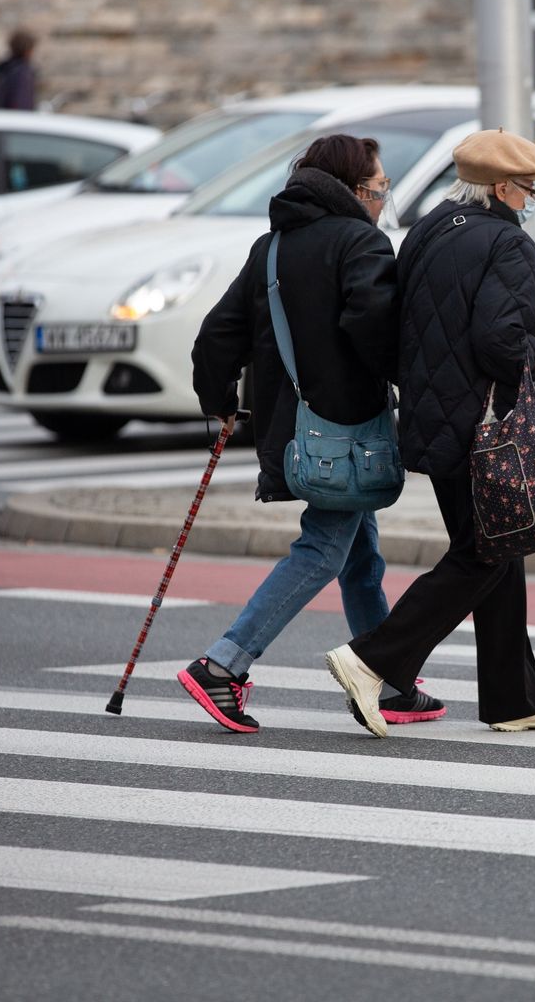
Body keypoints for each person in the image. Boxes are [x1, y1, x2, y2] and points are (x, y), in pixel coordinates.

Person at [325, 128, 535, 738]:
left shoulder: (428, 230)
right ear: (501, 187)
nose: (533, 200)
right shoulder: (510, 247)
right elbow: (500, 341)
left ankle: (514, 698)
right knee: (484, 552)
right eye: (530, 189)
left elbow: (399, 329)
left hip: (431, 420)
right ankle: (373, 658)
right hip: (484, 430)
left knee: (500, 547)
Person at [180, 134, 445, 733]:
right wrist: (412, 382)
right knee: (326, 548)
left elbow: (216, 336)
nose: (383, 201)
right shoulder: (361, 243)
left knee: (360, 555)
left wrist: (218, 404)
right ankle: (223, 664)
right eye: (380, 189)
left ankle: (388, 677)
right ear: (354, 191)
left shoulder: (271, 248)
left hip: (294, 432)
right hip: (346, 436)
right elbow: (374, 326)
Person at [0, 28, 39, 111]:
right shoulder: (22, 72)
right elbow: (22, 102)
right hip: (11, 119)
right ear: (28, 50)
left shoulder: (2, 67)